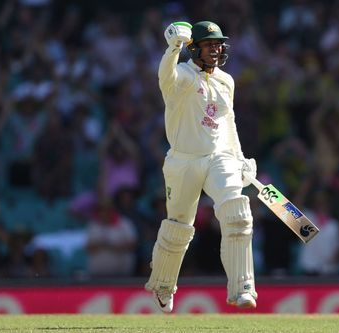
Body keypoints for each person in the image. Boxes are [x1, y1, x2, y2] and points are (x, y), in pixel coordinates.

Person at [144, 21, 258, 313]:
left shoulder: (226, 81)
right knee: (179, 227)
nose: (217, 49)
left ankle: (242, 287)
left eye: (219, 44)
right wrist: (173, 48)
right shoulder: (181, 75)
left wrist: (240, 157)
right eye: (210, 44)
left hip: (219, 157)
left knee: (237, 210)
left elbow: (227, 121)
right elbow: (164, 77)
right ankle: (163, 284)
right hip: (184, 160)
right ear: (194, 48)